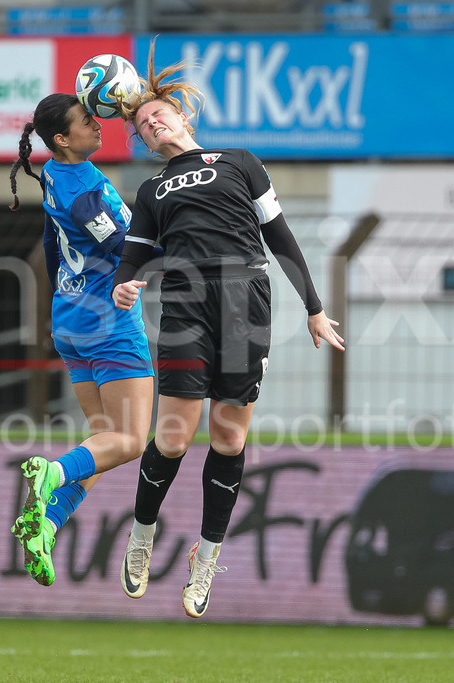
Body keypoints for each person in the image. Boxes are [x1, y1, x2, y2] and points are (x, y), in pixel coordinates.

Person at [111, 41, 345, 618]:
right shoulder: (152, 190)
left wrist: (314, 307)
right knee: (172, 437)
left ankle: (206, 558)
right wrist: (123, 284)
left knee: (229, 439)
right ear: (143, 142)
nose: (152, 122)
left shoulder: (239, 160)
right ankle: (142, 537)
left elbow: (280, 236)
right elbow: (134, 256)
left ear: (183, 116)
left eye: (159, 113)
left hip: (246, 299)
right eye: (142, 124)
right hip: (186, 301)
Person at [7, 93, 155, 587]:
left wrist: (64, 298)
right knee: (131, 441)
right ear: (62, 139)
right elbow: (122, 245)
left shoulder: (55, 173)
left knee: (104, 440)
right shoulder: (82, 192)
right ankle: (50, 474)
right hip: (107, 322)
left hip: (71, 319)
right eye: (86, 121)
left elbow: (51, 245)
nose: (98, 124)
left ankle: (46, 525)